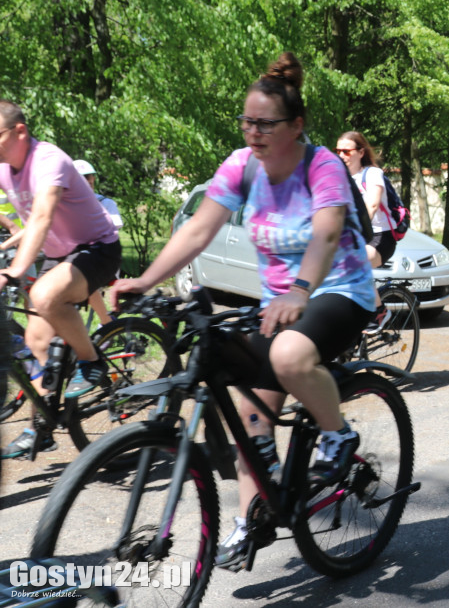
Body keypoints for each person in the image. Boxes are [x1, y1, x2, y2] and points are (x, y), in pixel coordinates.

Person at [109, 52, 377, 567]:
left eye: (265, 124)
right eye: (247, 122)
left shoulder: (321, 166)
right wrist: (145, 279)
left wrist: (300, 288)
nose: (253, 133)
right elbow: (197, 229)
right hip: (281, 302)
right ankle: (249, 517)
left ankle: (338, 434)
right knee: (247, 407)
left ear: (296, 126)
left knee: (290, 358)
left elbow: (325, 234)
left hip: (338, 291)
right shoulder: (240, 166)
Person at [0, 100, 121, 459]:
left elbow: (41, 217)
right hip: (60, 256)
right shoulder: (6, 170)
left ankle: (92, 361)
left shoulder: (49, 160)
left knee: (44, 297)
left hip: (97, 248)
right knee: (36, 341)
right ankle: (42, 426)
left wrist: (13, 271)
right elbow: (22, 223)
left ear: (19, 131)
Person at [336, 130, 395, 332]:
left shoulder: (372, 174)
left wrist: (356, 234)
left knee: (355, 262)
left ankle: (379, 311)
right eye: (338, 151)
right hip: (354, 237)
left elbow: (372, 205)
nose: (341, 156)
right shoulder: (339, 178)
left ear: (360, 152)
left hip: (380, 237)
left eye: (346, 151)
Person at [72, 159, 121, 325]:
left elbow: (113, 227)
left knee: (84, 277)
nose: (88, 182)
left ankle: (106, 323)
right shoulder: (68, 205)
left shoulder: (106, 203)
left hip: (102, 259)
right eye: (82, 179)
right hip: (78, 258)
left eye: (89, 178)